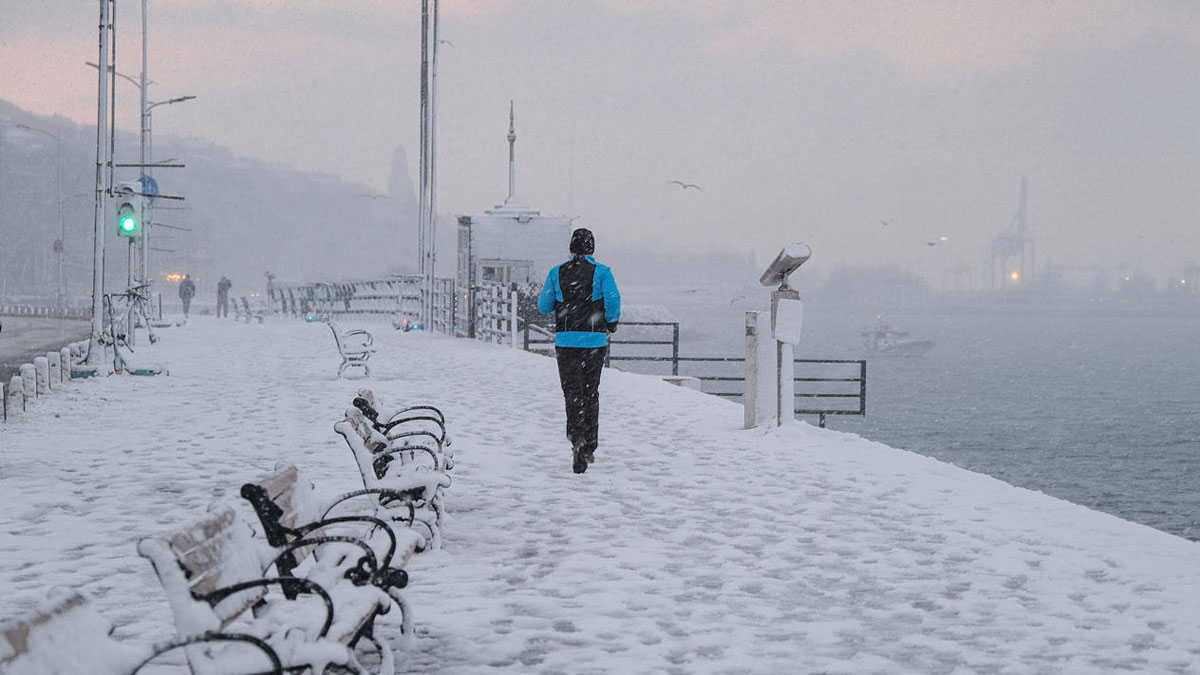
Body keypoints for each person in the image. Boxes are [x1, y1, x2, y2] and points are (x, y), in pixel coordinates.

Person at [537, 228, 621, 474]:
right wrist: (611, 322)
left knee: (572, 393)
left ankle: (576, 439)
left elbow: (543, 306)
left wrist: (563, 302)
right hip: (594, 342)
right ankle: (590, 445)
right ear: (592, 248)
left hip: (566, 341)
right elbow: (614, 300)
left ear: (571, 248)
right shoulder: (603, 272)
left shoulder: (557, 272)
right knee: (590, 392)